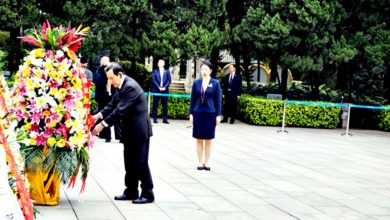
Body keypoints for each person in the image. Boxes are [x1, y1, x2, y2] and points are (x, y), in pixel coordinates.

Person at [92, 62, 154, 204]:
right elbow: (113, 104)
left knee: (141, 162)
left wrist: (102, 125)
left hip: (139, 131)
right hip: (129, 130)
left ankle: (148, 193)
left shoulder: (130, 87)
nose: (110, 81)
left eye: (112, 78)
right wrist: (98, 116)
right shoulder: (121, 85)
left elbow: (120, 111)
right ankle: (131, 191)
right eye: (108, 78)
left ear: (120, 74)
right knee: (130, 162)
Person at [189, 60, 222, 171]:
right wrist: (191, 114)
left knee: (208, 139)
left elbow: (218, 100)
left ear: (211, 71)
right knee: (198, 138)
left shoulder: (215, 83)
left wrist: (218, 115)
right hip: (198, 112)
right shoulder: (197, 83)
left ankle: (207, 161)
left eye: (206, 69)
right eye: (202, 69)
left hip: (210, 113)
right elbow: (193, 99)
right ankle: (199, 161)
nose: (204, 71)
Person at [93, 56, 112, 142]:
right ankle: (102, 134)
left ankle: (108, 136)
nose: (103, 62)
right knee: (101, 115)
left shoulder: (107, 70)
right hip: (99, 96)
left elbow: (107, 77)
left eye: (105, 60)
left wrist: (106, 65)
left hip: (105, 96)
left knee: (104, 115)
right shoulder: (98, 70)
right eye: (102, 60)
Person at [151, 59, 171, 124]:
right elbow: (153, 80)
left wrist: (164, 87)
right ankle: (155, 119)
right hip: (157, 90)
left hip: (165, 91)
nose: (159, 63)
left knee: (165, 105)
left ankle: (165, 119)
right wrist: (158, 87)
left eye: (161, 62)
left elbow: (169, 80)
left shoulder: (167, 71)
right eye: (158, 62)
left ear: (164, 64)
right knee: (155, 105)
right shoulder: (155, 71)